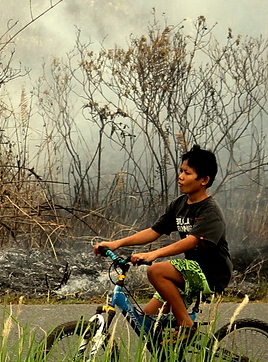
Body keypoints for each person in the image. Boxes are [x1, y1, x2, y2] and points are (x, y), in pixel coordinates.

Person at [94, 144, 232, 340]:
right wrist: (116, 243)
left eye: (187, 173)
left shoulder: (210, 211)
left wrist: (154, 254)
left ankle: (186, 325)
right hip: (186, 273)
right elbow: (153, 231)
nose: (181, 176)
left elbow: (191, 242)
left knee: (156, 270)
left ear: (204, 180)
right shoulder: (179, 204)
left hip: (210, 273)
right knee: (148, 320)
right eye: (181, 171)